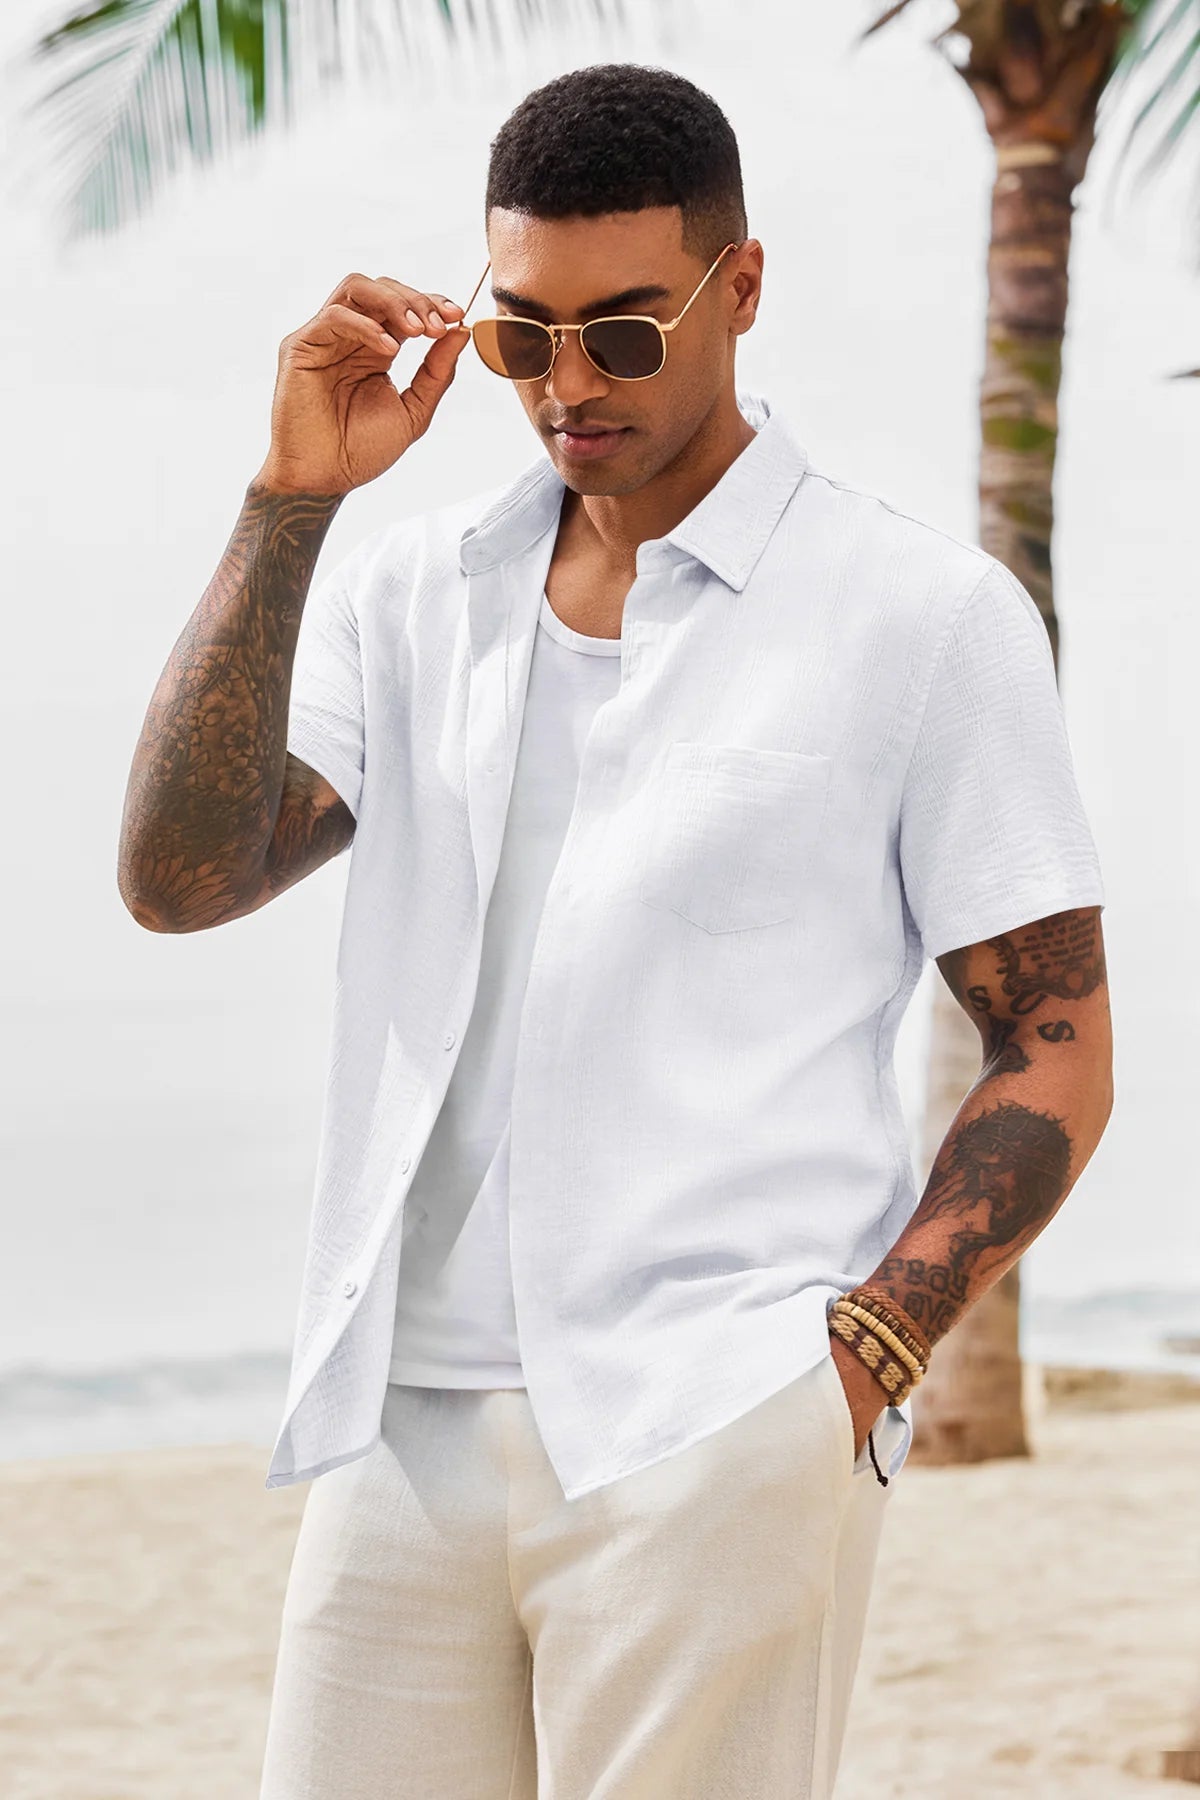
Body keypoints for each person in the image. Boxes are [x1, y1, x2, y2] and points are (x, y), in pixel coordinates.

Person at [117, 61, 1113, 1800]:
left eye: (626, 333)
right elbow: (181, 879)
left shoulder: (921, 618)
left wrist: (870, 1352)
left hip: (716, 1419)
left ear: (741, 287)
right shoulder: (413, 596)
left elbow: (1055, 1040)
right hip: (397, 1432)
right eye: (524, 334)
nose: (569, 384)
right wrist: (289, 504)